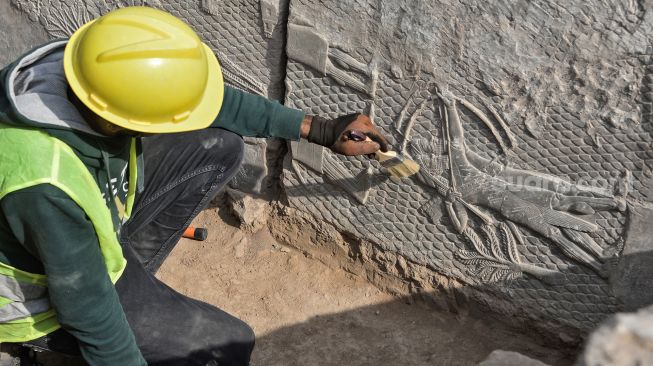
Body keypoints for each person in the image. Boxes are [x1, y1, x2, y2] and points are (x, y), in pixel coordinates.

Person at [0, 6, 387, 366]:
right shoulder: (43, 183)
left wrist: (320, 129)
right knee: (226, 346)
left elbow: (212, 104)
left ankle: (138, 280)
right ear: (121, 119)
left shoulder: (85, 69)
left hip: (84, 234)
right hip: (43, 304)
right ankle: (54, 349)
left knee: (217, 147)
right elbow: (86, 308)